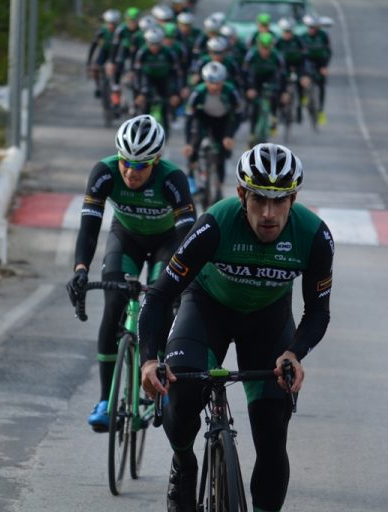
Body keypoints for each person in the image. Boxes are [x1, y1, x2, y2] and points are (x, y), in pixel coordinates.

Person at [139, 143, 335, 512]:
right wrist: (149, 361)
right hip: (207, 310)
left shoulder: (314, 236)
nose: (268, 213)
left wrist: (294, 352)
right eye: (259, 199)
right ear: (241, 194)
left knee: (272, 431)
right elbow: (159, 296)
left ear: (293, 199)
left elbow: (318, 312)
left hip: (268, 321)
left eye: (279, 201)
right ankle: (184, 463)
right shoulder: (215, 225)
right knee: (180, 398)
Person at [67, 115, 196, 432]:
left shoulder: (172, 179)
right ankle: (104, 401)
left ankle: (160, 379)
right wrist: (81, 269)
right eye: (126, 162)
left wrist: (175, 281)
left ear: (156, 160)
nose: (130, 171)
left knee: (160, 302)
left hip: (167, 243)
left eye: (140, 165)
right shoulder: (104, 173)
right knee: (113, 307)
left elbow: (186, 236)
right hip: (126, 239)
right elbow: (88, 229)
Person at [183, 61, 244, 203]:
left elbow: (239, 114)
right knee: (193, 146)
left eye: (218, 83)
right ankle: (191, 177)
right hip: (203, 118)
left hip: (223, 120)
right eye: (211, 83)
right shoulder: (198, 92)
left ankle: (219, 185)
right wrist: (188, 143)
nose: (215, 86)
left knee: (222, 153)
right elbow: (188, 117)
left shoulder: (231, 91)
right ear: (205, 81)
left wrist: (230, 136)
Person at [242, 32, 288, 144]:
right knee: (254, 106)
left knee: (275, 94)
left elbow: (283, 74)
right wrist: (248, 89)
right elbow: (244, 72)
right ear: (258, 46)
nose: (265, 51)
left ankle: (274, 116)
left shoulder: (277, 55)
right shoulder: (251, 54)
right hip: (255, 80)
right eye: (263, 48)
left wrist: (284, 92)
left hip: (271, 78)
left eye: (268, 48)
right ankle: (253, 133)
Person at [134, 26, 182, 130]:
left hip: (163, 78)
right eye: (151, 44)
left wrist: (175, 93)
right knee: (145, 99)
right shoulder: (142, 52)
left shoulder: (169, 53)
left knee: (165, 103)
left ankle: (166, 125)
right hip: (148, 77)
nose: (154, 47)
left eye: (157, 44)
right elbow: (137, 74)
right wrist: (139, 93)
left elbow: (176, 74)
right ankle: (142, 125)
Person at [275, 17, 309, 123]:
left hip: (298, 65)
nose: (287, 34)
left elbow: (305, 56)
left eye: (289, 32)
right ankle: (281, 110)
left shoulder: (298, 40)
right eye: (285, 32)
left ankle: (299, 108)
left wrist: (304, 74)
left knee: (301, 83)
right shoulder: (278, 42)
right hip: (284, 67)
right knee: (280, 86)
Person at [300, 14, 332, 125]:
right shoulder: (303, 37)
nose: (311, 30)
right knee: (304, 78)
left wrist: (325, 67)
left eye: (313, 27)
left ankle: (321, 111)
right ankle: (303, 95)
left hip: (320, 62)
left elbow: (328, 51)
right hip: (308, 61)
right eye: (309, 27)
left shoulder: (323, 36)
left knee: (321, 84)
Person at [87, 9, 121, 99]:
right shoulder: (102, 31)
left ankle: (116, 88)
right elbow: (93, 46)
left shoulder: (120, 31)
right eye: (109, 23)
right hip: (104, 51)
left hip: (116, 52)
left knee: (117, 69)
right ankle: (97, 86)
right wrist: (89, 62)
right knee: (96, 68)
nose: (111, 26)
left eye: (114, 23)